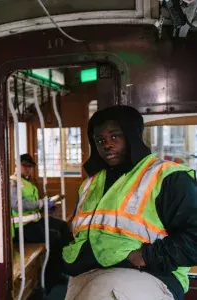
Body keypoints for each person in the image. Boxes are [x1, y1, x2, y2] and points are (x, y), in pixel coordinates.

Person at [63, 105, 197, 300]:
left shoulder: (168, 177)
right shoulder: (90, 184)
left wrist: (146, 256)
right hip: (85, 276)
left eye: (115, 136)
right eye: (100, 140)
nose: (107, 145)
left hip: (149, 275)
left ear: (132, 136)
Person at [10, 154, 72, 296]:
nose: (28, 169)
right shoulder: (13, 183)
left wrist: (48, 205)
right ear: (17, 165)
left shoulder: (28, 183)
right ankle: (51, 277)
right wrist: (41, 203)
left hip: (34, 222)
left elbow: (33, 206)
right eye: (25, 166)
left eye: (30, 167)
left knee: (62, 226)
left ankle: (66, 266)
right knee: (54, 237)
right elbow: (17, 204)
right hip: (21, 229)